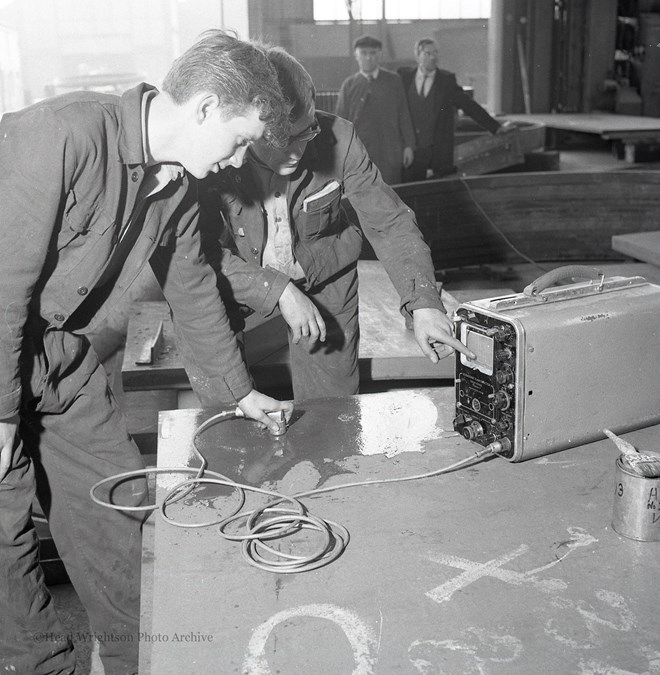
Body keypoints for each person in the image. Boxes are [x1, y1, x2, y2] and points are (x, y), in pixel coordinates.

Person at [0, 30, 294, 674]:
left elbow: (193, 291)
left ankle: (144, 660)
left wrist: (239, 391)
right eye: (240, 139)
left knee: (115, 508)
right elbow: (3, 287)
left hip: (62, 362)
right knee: (7, 535)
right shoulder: (62, 135)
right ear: (207, 107)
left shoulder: (182, 187)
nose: (240, 160)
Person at [199, 46, 474, 403]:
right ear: (249, 127)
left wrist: (424, 303)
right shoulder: (220, 154)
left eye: (307, 132)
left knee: (331, 411)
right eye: (282, 141)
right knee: (227, 400)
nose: (297, 152)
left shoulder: (340, 139)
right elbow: (196, 253)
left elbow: (389, 222)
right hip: (239, 277)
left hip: (324, 276)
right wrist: (276, 290)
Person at [398, 37, 513, 181]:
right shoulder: (404, 77)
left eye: (436, 53)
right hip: (411, 151)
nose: (433, 57)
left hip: (437, 152)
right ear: (417, 56)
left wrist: (496, 127)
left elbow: (469, 106)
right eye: (428, 53)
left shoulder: (446, 81)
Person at [335, 34, 415, 184]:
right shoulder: (349, 85)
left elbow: (404, 115)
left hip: (390, 154)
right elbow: (340, 123)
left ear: (380, 55)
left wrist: (409, 146)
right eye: (364, 53)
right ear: (356, 56)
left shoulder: (394, 81)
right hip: (359, 156)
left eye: (373, 53)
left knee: (391, 195)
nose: (369, 58)